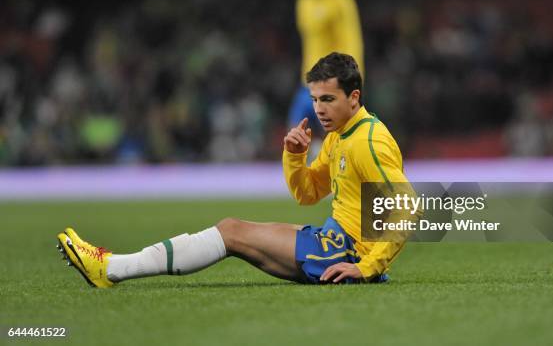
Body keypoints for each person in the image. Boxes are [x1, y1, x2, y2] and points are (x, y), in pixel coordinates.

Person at [56, 53, 412, 287]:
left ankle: (111, 269)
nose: (319, 109)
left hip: (343, 252)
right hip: (336, 241)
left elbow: (409, 208)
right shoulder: (340, 135)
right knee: (233, 231)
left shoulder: (369, 141)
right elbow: (307, 194)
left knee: (231, 232)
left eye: (328, 99)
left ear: (354, 97)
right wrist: (294, 156)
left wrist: (368, 266)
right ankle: (112, 267)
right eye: (315, 99)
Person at [288, 0, 364, 130]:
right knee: (296, 130)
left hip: (334, 79)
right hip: (309, 79)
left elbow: (352, 40)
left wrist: (351, 78)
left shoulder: (340, 0)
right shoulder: (303, 1)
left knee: (332, 133)